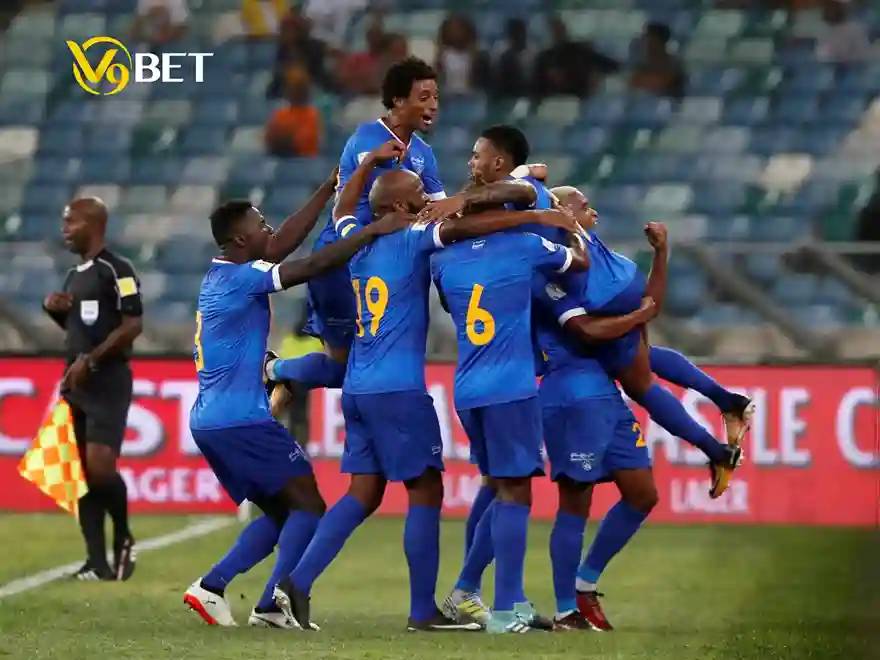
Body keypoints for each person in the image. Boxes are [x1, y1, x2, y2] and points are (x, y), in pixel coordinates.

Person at [271, 141, 579, 632]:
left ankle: (293, 586)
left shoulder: (358, 236)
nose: (428, 198)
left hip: (358, 386)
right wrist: (535, 220)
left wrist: (368, 164)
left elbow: (343, 207)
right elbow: (469, 226)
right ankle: (421, 612)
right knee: (426, 490)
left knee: (363, 493)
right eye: (419, 193)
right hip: (397, 389)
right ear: (399, 206)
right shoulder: (414, 238)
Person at [182, 194, 409, 628]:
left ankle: (214, 588)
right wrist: (371, 231)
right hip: (239, 419)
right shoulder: (242, 279)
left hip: (215, 418)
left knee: (284, 511)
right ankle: (266, 604)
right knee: (309, 506)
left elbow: (285, 244)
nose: (270, 229)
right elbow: (307, 267)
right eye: (261, 223)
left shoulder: (223, 274)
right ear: (240, 238)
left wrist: (329, 190)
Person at [430, 187, 590, 633]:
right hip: (510, 388)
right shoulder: (525, 244)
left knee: (500, 488)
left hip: (468, 387)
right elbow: (580, 263)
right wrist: (570, 228)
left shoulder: (441, 261)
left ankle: (490, 595)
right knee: (516, 493)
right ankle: (503, 610)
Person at [549, 185, 751, 498]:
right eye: (586, 207)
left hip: (605, 299)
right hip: (628, 278)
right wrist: (660, 253)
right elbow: (651, 306)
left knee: (641, 386)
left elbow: (589, 328)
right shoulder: (585, 238)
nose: (594, 213)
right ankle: (729, 402)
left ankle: (718, 451)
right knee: (644, 355)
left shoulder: (559, 238)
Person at [532, 262, 658, 631]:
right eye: (581, 204)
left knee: (642, 493)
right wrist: (639, 315)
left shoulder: (602, 272)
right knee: (576, 499)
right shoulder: (547, 276)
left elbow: (649, 301)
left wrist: (661, 254)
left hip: (607, 394)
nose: (592, 213)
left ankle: (585, 583)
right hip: (570, 394)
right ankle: (565, 610)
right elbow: (586, 331)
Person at [42, 198, 142, 582]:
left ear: (93, 224)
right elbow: (76, 329)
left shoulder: (117, 270)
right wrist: (55, 311)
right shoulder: (73, 275)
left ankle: (123, 535)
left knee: (100, 468)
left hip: (107, 379)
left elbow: (133, 324)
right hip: (76, 379)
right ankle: (95, 561)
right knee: (80, 472)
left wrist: (93, 360)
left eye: (71, 222)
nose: (64, 229)